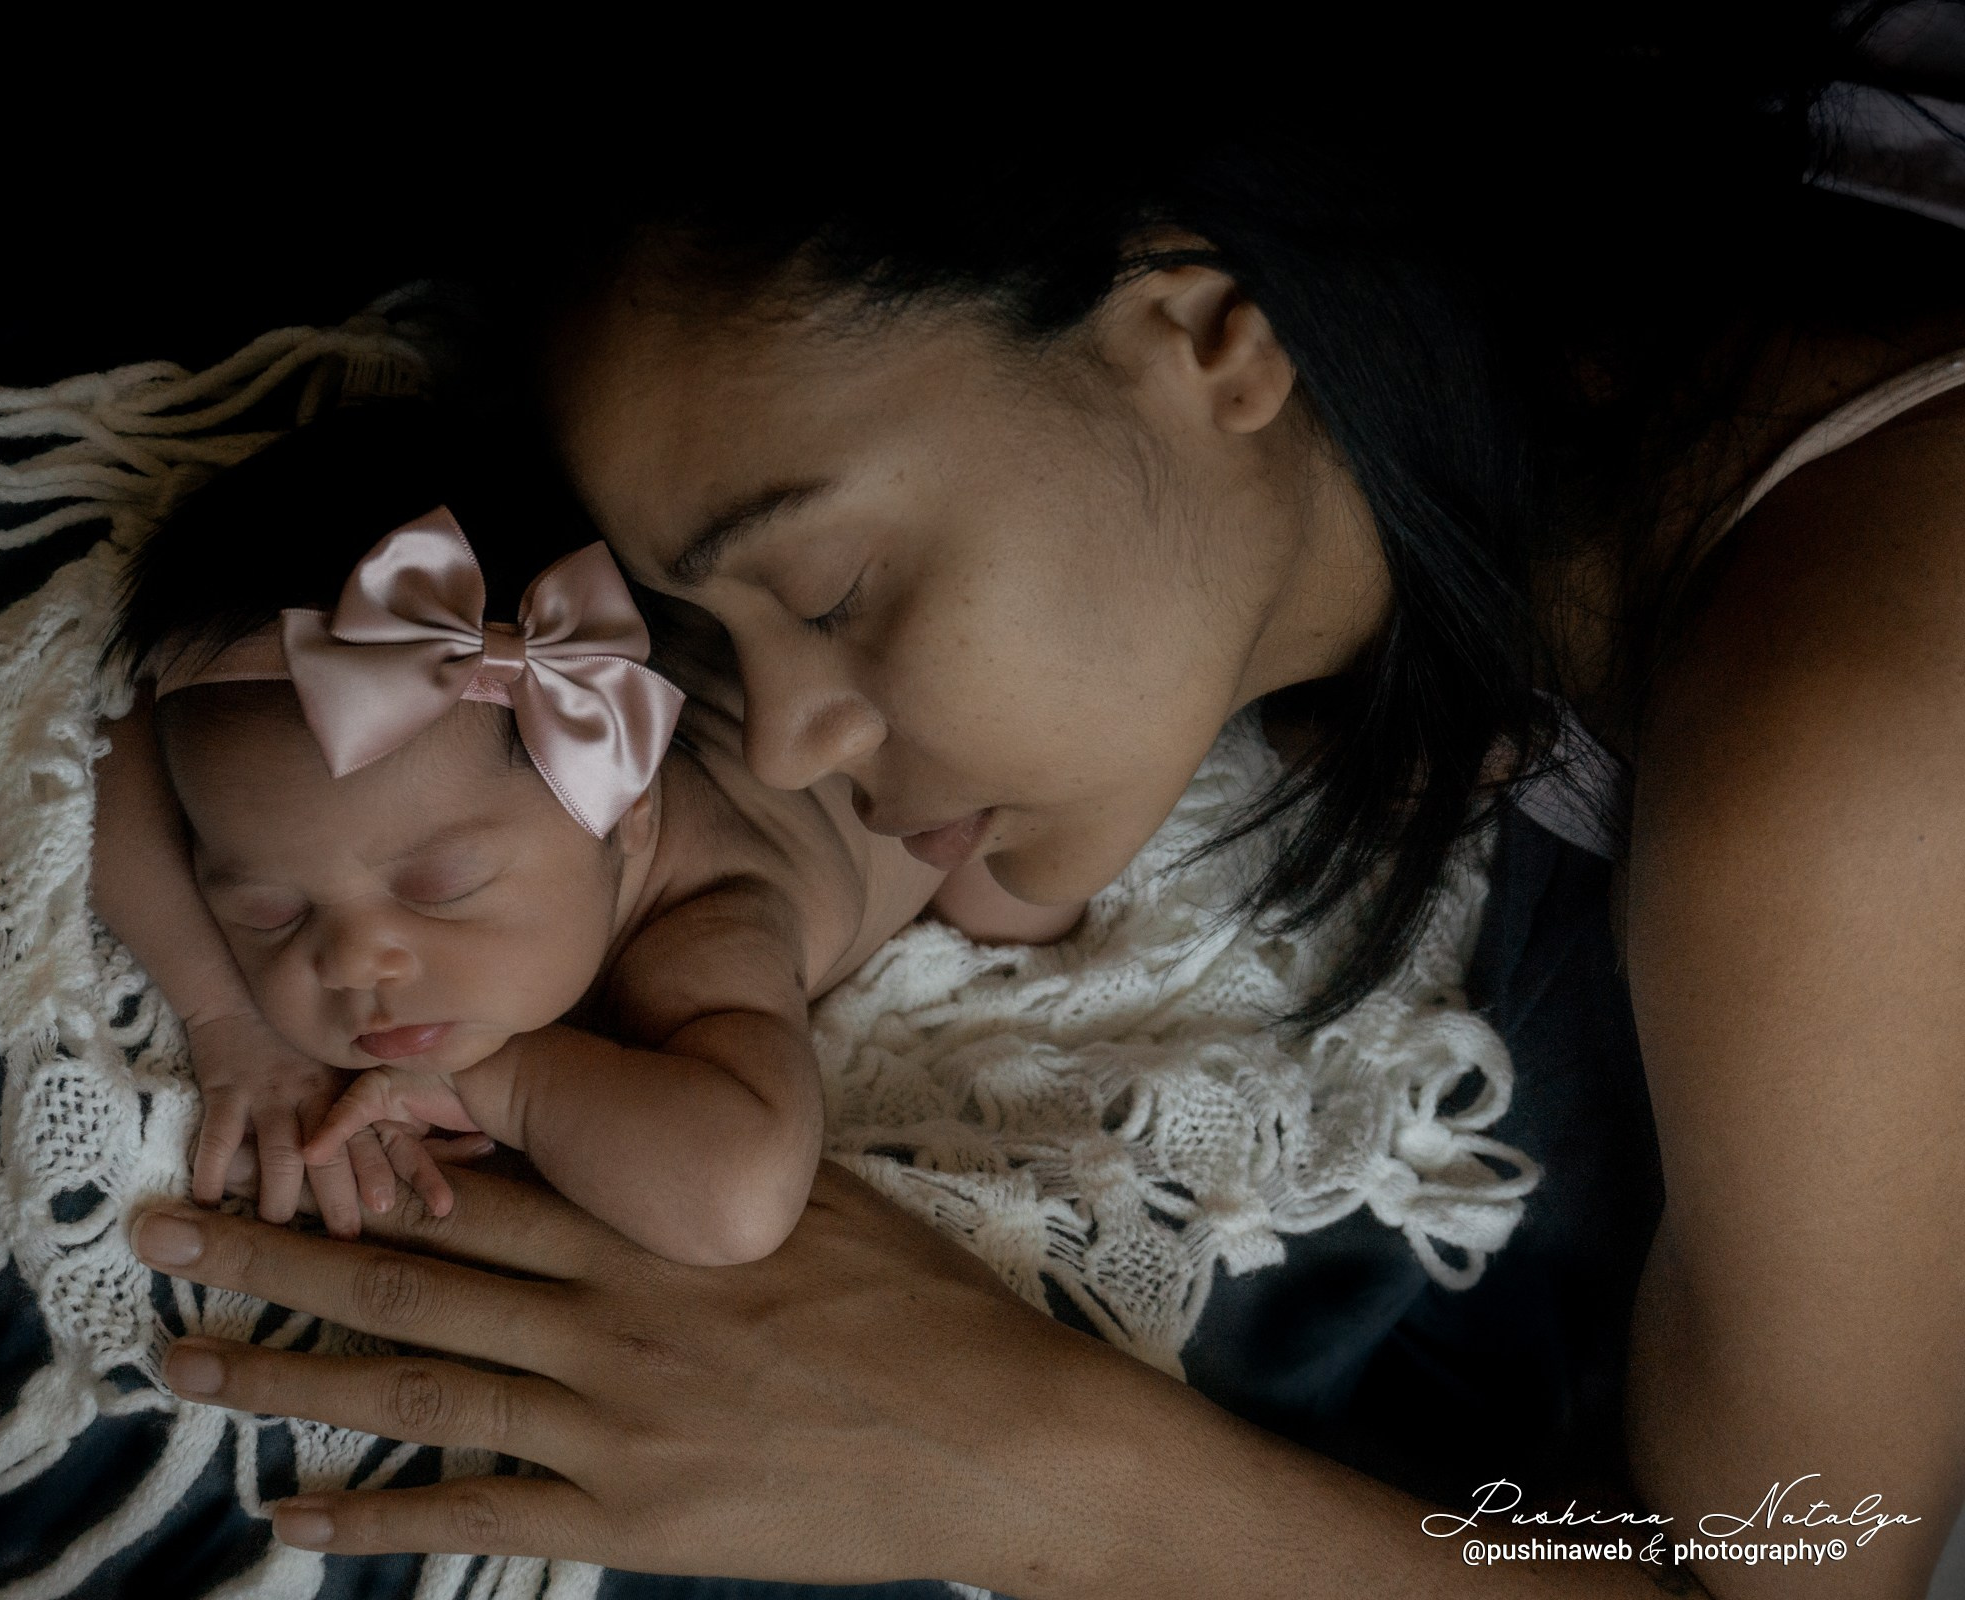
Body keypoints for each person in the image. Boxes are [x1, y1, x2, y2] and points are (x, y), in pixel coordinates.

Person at [128, 18, 1964, 1597]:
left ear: (1205, 335)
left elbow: (1797, 1566)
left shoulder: (1844, 770)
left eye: (835, 593)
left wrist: (1010, 1456)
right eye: (711, 641)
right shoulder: (1525, 435)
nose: (776, 752)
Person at [94, 401, 1076, 1262]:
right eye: (266, 911)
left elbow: (736, 1197)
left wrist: (497, 1081)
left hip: (932, 789)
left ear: (626, 806)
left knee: (1009, 895)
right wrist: (228, 1026)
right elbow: (117, 745)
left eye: (439, 886)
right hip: (662, 665)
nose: (351, 958)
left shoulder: (706, 931)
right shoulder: (453, 803)